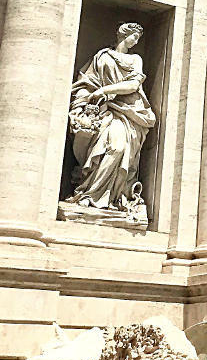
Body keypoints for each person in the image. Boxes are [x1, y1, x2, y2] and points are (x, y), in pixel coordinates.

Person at [65, 22, 156, 217]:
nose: (135, 41)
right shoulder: (102, 56)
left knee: (118, 148)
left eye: (139, 39)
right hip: (103, 110)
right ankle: (88, 195)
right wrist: (87, 99)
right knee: (102, 149)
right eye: (134, 36)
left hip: (128, 111)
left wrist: (105, 90)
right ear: (123, 34)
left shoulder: (135, 59)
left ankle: (109, 197)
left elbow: (133, 85)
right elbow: (87, 81)